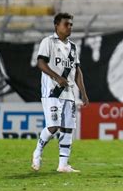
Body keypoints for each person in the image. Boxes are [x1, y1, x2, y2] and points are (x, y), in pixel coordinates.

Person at [31, 12, 89, 173]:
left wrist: (83, 93)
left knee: (68, 128)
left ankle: (63, 165)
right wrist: (57, 78)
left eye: (71, 24)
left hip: (69, 93)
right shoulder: (48, 42)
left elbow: (77, 71)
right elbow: (41, 63)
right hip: (52, 91)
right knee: (54, 126)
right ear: (57, 25)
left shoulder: (73, 47)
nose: (69, 27)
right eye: (66, 24)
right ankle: (37, 151)